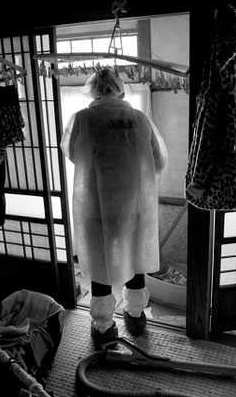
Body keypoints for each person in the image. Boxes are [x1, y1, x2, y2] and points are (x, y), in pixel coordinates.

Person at [60, 68, 168, 350]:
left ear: (93, 90)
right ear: (120, 89)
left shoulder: (82, 119)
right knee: (135, 257)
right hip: (134, 203)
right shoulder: (138, 119)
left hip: (96, 204)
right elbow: (158, 162)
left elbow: (73, 154)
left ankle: (103, 326)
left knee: (100, 263)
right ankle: (135, 315)